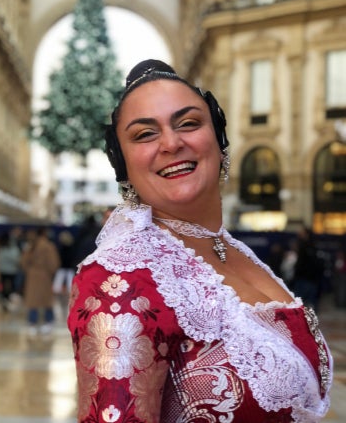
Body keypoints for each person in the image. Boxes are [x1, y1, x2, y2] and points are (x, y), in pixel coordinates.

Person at [70, 59, 331, 422]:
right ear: (122, 163)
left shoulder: (235, 251)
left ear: (219, 140)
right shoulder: (121, 278)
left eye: (189, 123)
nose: (172, 143)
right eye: (145, 134)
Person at [22, 227, 60, 334]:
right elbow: (53, 263)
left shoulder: (30, 246)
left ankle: (32, 322)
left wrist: (29, 270)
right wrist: (51, 273)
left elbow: (23, 262)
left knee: (32, 300)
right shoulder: (49, 246)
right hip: (44, 276)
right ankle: (48, 321)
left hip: (32, 276)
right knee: (46, 300)